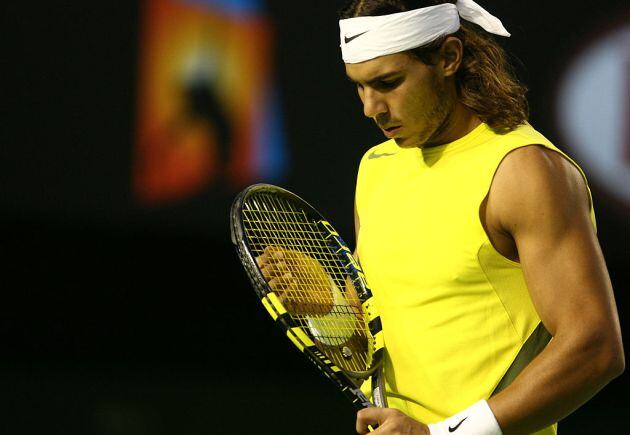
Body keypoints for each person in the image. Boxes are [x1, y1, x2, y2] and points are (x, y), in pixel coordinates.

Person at [336, 0, 625, 434]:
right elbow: (384, 328)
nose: (371, 108)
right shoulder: (377, 165)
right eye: (359, 87)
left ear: (449, 58)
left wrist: (441, 434)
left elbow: (595, 348)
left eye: (388, 83)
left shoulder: (524, 171)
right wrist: (328, 310)